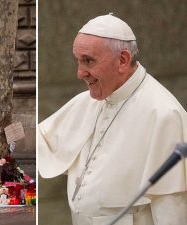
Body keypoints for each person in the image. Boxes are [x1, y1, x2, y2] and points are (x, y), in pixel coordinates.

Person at [39, 14, 187, 225]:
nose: (80, 73)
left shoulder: (164, 114)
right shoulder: (89, 101)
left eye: (88, 61)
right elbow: (42, 139)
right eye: (78, 60)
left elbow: (172, 211)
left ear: (123, 60)